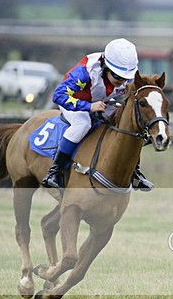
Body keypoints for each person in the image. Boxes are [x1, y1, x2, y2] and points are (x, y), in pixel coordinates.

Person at [42, 38, 153, 190]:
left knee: (127, 123)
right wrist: (88, 106)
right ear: (106, 67)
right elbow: (58, 96)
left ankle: (135, 172)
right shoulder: (84, 72)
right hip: (74, 102)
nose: (122, 82)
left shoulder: (126, 75)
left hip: (100, 102)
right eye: (118, 76)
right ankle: (54, 171)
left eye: (125, 78)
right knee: (83, 124)